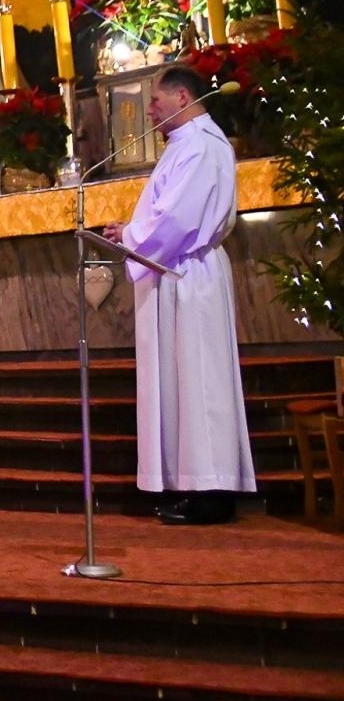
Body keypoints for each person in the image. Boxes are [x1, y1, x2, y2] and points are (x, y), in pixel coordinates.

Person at [103, 65, 255, 525]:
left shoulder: (204, 146)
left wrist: (131, 235)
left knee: (201, 379)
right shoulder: (184, 145)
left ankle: (212, 491)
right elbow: (167, 212)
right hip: (174, 271)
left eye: (156, 100)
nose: (149, 108)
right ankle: (190, 483)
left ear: (183, 97)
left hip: (191, 274)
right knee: (184, 379)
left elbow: (180, 219)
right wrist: (130, 233)